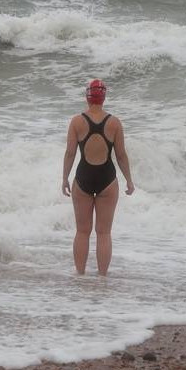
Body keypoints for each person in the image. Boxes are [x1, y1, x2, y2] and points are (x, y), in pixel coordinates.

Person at [62, 79, 134, 275]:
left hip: (83, 177)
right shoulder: (114, 122)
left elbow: (70, 153)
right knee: (104, 233)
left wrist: (64, 178)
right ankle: (102, 278)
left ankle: (80, 276)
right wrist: (129, 179)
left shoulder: (77, 121)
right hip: (107, 180)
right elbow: (120, 155)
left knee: (82, 232)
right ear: (103, 97)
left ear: (87, 96)